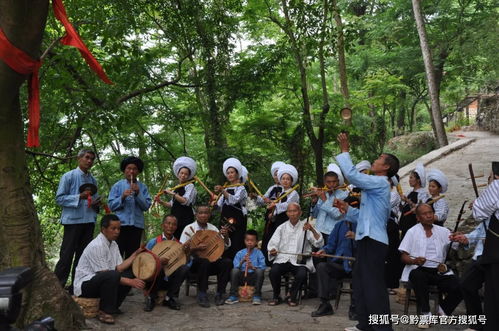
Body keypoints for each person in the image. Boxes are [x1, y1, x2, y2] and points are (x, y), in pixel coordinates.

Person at [333, 132, 400, 331]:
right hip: (366, 239)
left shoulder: (381, 182)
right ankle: (365, 324)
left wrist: (345, 151)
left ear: (386, 167)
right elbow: (365, 216)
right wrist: (347, 210)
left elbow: (353, 176)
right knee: (361, 282)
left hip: (374, 241)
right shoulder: (374, 188)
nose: (375, 160)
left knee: (373, 285)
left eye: (379, 159)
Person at [73, 214, 145, 325]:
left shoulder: (114, 244)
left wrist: (136, 253)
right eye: (113, 228)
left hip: (103, 280)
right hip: (84, 285)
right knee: (114, 276)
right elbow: (106, 274)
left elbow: (119, 267)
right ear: (103, 229)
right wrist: (131, 282)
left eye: (119, 229)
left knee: (130, 274)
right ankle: (104, 312)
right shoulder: (97, 245)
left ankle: (114, 306)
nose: (117, 232)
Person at [399, 204, 462, 329]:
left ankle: (443, 310)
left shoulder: (443, 231)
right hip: (419, 269)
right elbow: (403, 256)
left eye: (430, 212)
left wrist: (458, 238)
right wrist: (415, 261)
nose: (428, 215)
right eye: (424, 214)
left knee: (461, 284)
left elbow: (456, 245)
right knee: (417, 276)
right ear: (418, 217)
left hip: (439, 271)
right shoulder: (412, 232)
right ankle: (425, 313)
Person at [54, 149, 100, 292]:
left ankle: (76, 287)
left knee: (82, 257)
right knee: (66, 256)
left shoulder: (93, 180)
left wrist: (96, 203)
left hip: (88, 221)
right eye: (87, 157)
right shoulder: (68, 176)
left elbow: (93, 201)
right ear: (79, 158)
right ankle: (57, 288)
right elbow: (59, 198)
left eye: (92, 159)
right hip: (72, 221)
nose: (89, 161)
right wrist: (79, 197)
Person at [267, 202, 324, 306]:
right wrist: (273, 250)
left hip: (299, 261)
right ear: (287, 213)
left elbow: (319, 242)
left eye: (295, 211)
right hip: (283, 259)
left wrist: (312, 229)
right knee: (273, 272)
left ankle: (291, 295)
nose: (292, 214)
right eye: (290, 211)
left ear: (300, 213)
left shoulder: (306, 226)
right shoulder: (281, 227)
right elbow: (272, 244)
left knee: (302, 273)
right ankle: (276, 296)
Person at [180, 206, 233, 307]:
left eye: (206, 213)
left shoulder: (213, 228)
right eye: (200, 213)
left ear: (209, 215)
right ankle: (202, 294)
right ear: (196, 215)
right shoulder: (189, 228)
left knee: (227, 262)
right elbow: (182, 249)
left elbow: (225, 247)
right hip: (195, 264)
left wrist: (226, 236)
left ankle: (220, 294)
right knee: (203, 261)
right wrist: (196, 248)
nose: (203, 215)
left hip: (211, 262)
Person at [471, 161, 499, 331]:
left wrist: (476, 203)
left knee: (495, 296)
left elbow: (478, 212)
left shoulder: (497, 186)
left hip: (497, 252)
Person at [143, 214, 189, 312]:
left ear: (176, 227)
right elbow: (144, 261)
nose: (171, 226)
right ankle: (151, 298)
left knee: (185, 268)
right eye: (168, 223)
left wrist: (187, 252)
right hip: (154, 279)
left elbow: (183, 263)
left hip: (170, 280)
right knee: (159, 267)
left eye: (174, 224)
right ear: (163, 225)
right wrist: (158, 261)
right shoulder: (153, 242)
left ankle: (169, 298)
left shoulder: (178, 244)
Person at [311, 219, 356, 317]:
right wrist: (324, 251)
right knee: (322, 267)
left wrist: (356, 237)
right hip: (339, 264)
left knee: (360, 271)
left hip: (355, 264)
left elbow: (367, 246)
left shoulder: (362, 225)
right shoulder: (339, 225)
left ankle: (355, 306)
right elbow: (331, 245)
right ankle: (325, 304)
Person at [108, 156, 152, 258]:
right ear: (124, 170)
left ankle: (129, 274)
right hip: (119, 226)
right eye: (129, 168)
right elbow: (111, 206)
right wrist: (122, 197)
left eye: (134, 169)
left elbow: (146, 206)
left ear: (138, 171)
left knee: (132, 256)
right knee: (116, 254)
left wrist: (138, 194)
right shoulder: (117, 186)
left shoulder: (143, 187)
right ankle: (116, 273)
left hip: (136, 226)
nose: (131, 171)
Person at [451, 219, 489, 331]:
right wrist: (465, 238)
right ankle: (476, 324)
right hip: (481, 256)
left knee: (492, 292)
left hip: (494, 257)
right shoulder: (487, 218)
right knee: (467, 285)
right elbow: (477, 234)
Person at [263, 164, 300, 263]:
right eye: (283, 178)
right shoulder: (280, 192)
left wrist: (275, 206)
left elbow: (287, 205)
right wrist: (273, 213)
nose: (285, 181)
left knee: (284, 240)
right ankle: (272, 260)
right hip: (277, 219)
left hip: (286, 219)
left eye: (288, 179)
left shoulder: (293, 193)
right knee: (275, 238)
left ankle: (285, 261)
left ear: (291, 181)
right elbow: (276, 204)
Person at [213, 157, 248, 259]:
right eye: (228, 173)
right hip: (225, 219)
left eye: (232, 172)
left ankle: (237, 266)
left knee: (236, 243)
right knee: (224, 241)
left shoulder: (241, 188)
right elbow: (220, 205)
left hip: (237, 221)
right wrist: (214, 205)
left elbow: (234, 200)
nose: (230, 174)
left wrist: (223, 191)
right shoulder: (226, 188)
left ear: (237, 173)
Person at [155, 156, 197, 239]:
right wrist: (160, 201)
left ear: (188, 176)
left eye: (186, 174)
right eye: (181, 173)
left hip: (186, 217)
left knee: (186, 239)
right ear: (178, 174)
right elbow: (171, 204)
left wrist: (172, 194)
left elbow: (185, 201)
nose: (183, 175)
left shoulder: (190, 186)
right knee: (175, 240)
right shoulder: (176, 187)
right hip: (175, 218)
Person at [255, 161, 285, 264]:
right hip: (269, 217)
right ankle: (267, 260)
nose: (277, 176)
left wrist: (273, 203)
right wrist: (256, 197)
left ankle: (278, 261)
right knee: (268, 236)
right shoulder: (272, 188)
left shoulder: (286, 189)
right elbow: (263, 199)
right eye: (275, 174)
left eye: (279, 174)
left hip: (281, 217)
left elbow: (285, 204)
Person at [225, 230, 266, 305]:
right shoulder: (240, 253)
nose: (249, 242)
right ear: (244, 241)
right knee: (234, 271)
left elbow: (262, 266)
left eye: (252, 240)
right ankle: (233, 295)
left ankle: (257, 295)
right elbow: (235, 266)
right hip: (242, 277)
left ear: (256, 242)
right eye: (247, 240)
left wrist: (252, 267)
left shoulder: (259, 253)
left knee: (260, 271)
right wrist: (242, 261)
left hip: (253, 277)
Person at [311, 163, 349, 243]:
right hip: (318, 230)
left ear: (338, 182)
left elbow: (337, 215)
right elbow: (314, 215)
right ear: (325, 182)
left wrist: (325, 200)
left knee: (328, 255)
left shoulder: (344, 195)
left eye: (334, 182)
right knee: (316, 255)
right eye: (328, 182)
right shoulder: (324, 193)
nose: (331, 184)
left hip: (332, 232)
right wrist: (314, 202)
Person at [399, 163, 430, 239]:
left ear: (418, 180)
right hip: (404, 223)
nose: (409, 180)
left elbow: (421, 208)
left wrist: (408, 201)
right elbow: (402, 208)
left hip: (413, 223)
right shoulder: (409, 192)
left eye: (411, 178)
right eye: (409, 178)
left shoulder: (422, 193)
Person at [385, 175, 403, 291]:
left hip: (391, 226)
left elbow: (384, 206)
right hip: (382, 225)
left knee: (391, 253)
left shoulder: (394, 195)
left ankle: (391, 283)